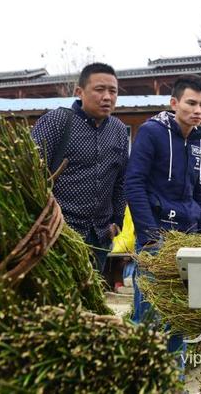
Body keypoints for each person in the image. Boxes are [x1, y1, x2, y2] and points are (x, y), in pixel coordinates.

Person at [125, 74, 201, 325]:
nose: (197, 110)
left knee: (180, 315)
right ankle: (147, 364)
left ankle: (176, 365)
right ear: (174, 103)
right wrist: (149, 235)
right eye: (191, 103)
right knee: (151, 314)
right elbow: (134, 182)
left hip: (188, 239)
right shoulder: (151, 132)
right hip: (156, 238)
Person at [31, 62, 128, 272]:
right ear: (79, 92)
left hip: (99, 237)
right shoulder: (56, 122)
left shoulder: (119, 130)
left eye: (113, 91)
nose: (107, 97)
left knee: (91, 297)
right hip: (58, 233)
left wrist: (116, 222)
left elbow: (121, 181)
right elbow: (31, 175)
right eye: (99, 89)